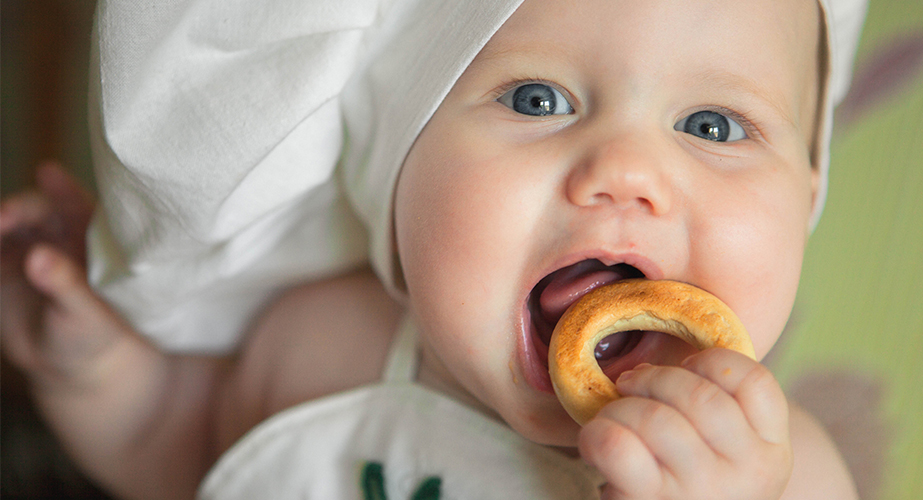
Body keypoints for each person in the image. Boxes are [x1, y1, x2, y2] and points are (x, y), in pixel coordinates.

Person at [0, 0, 869, 498]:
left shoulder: (779, 470)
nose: (626, 170)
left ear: (807, 195)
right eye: (536, 99)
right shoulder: (322, 343)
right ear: (396, 167)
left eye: (711, 125)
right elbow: (179, 450)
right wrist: (96, 373)